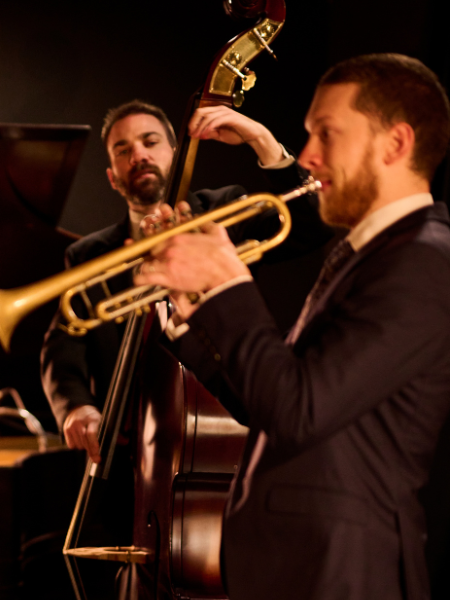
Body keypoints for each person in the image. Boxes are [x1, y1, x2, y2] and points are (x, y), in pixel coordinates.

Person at [135, 53, 450, 600]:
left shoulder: (423, 259)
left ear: (396, 144)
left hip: (343, 574)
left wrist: (229, 284)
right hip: (305, 568)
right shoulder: (370, 253)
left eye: (326, 134)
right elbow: (270, 405)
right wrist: (189, 314)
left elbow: (298, 409)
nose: (307, 156)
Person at [41, 99, 329, 462]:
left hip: (218, 423)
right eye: (123, 149)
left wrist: (263, 141)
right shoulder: (87, 254)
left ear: (176, 156)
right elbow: (62, 345)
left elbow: (312, 227)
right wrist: (76, 407)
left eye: (150, 142)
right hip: (121, 446)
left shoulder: (224, 209)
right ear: (112, 177)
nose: (139, 155)